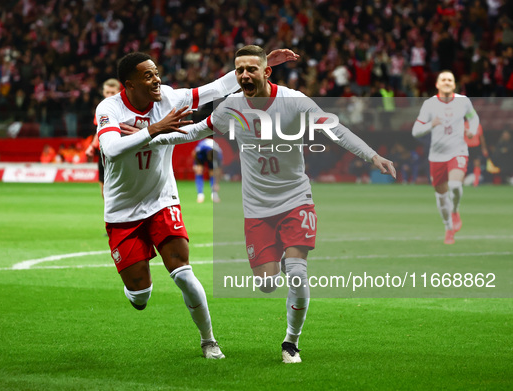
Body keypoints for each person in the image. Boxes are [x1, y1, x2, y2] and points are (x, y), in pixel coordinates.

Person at [150, 45, 396, 363]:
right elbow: (195, 131)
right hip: (256, 209)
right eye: (239, 70)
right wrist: (147, 135)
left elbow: (336, 130)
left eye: (251, 69)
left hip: (296, 200)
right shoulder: (231, 107)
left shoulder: (294, 102)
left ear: (266, 71)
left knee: (297, 273)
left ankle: (291, 343)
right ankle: (277, 263)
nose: (244, 75)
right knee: (266, 284)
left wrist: (372, 155)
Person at [95, 49, 298, 359]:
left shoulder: (168, 98)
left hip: (162, 200)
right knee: (140, 294)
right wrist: (154, 129)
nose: (156, 79)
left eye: (156, 72)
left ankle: (209, 341)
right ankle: (136, 291)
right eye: (148, 75)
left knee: (184, 273)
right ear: (130, 84)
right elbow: (110, 148)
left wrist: (263, 63)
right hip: (122, 209)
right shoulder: (109, 108)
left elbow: (213, 90)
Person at [412, 70, 480, 244]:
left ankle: (455, 211)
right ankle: (448, 228)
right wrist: (430, 124)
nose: (447, 82)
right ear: (437, 84)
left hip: (458, 151)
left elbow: (474, 118)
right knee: (441, 197)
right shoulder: (429, 105)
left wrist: (472, 131)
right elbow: (415, 131)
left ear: (454, 84)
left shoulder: (463, 102)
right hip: (436, 156)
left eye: (450, 79)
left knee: (456, 185)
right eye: (443, 79)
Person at [86, 78, 122, 198]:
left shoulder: (124, 108)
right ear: (103, 92)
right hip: (104, 153)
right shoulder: (102, 109)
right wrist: (92, 146)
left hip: (121, 152)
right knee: (104, 190)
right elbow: (100, 131)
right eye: (107, 92)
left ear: (119, 91)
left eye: (113, 92)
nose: (110, 95)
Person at [193, 137, 222, 203]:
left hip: (212, 155)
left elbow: (218, 170)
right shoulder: (201, 148)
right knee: (199, 171)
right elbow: (194, 153)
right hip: (201, 155)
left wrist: (217, 183)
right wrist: (195, 165)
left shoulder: (219, 154)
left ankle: (214, 194)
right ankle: (200, 195)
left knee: (213, 173)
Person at [464, 122, 488, 187]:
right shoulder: (464, 124)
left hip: (475, 147)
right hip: (466, 146)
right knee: (463, 164)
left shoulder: (478, 125)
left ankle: (476, 182)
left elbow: (481, 137)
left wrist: (484, 148)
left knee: (477, 164)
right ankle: (461, 180)